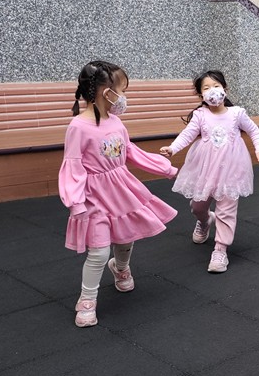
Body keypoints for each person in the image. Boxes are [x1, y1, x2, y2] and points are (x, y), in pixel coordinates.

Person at [59, 60, 179, 328]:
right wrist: (75, 202)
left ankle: (121, 267)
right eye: (122, 90)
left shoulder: (115, 122)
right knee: (99, 252)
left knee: (126, 236)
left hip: (121, 189)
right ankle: (87, 300)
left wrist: (165, 168)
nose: (124, 97)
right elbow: (72, 165)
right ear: (107, 92)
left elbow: (129, 151)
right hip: (94, 197)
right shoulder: (78, 127)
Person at [160, 70, 259, 273]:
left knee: (226, 210)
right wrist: (173, 148)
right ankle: (205, 221)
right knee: (198, 206)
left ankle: (220, 250)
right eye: (207, 88)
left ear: (225, 89)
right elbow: (187, 134)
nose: (212, 91)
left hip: (231, 169)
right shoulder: (201, 115)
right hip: (206, 169)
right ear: (201, 95)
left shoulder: (236, 114)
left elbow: (253, 130)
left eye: (216, 86)